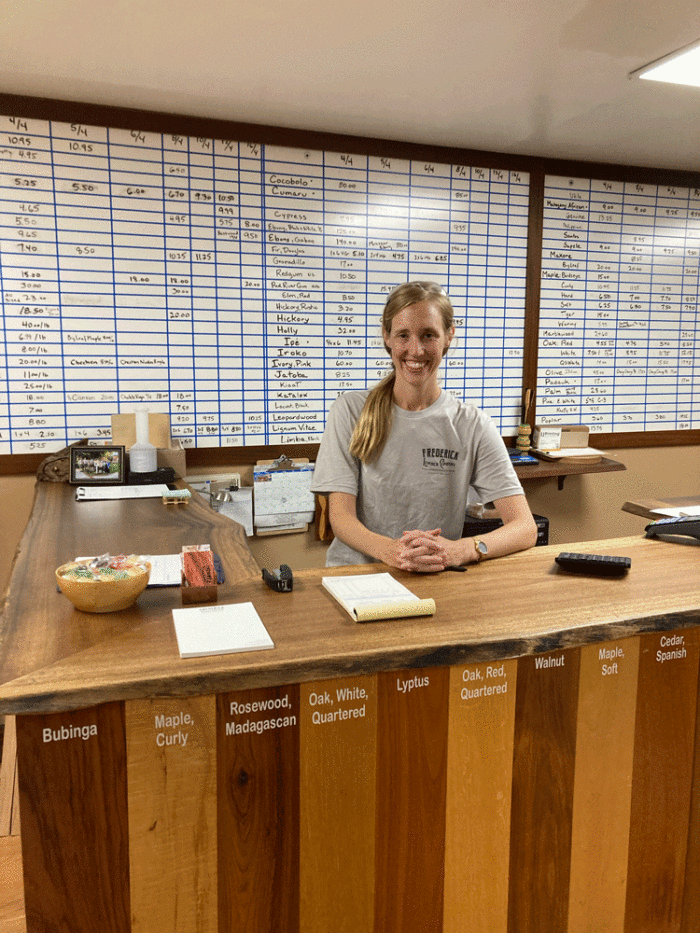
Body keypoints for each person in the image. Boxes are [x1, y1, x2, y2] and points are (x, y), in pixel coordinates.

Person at [311, 281, 537, 571]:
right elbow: (341, 518)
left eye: (428, 335)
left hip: (434, 578)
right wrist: (391, 552)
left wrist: (463, 550)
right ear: (387, 337)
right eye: (403, 335)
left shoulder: (473, 425)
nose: (415, 350)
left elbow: (524, 527)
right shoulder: (350, 411)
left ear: (448, 336)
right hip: (357, 575)